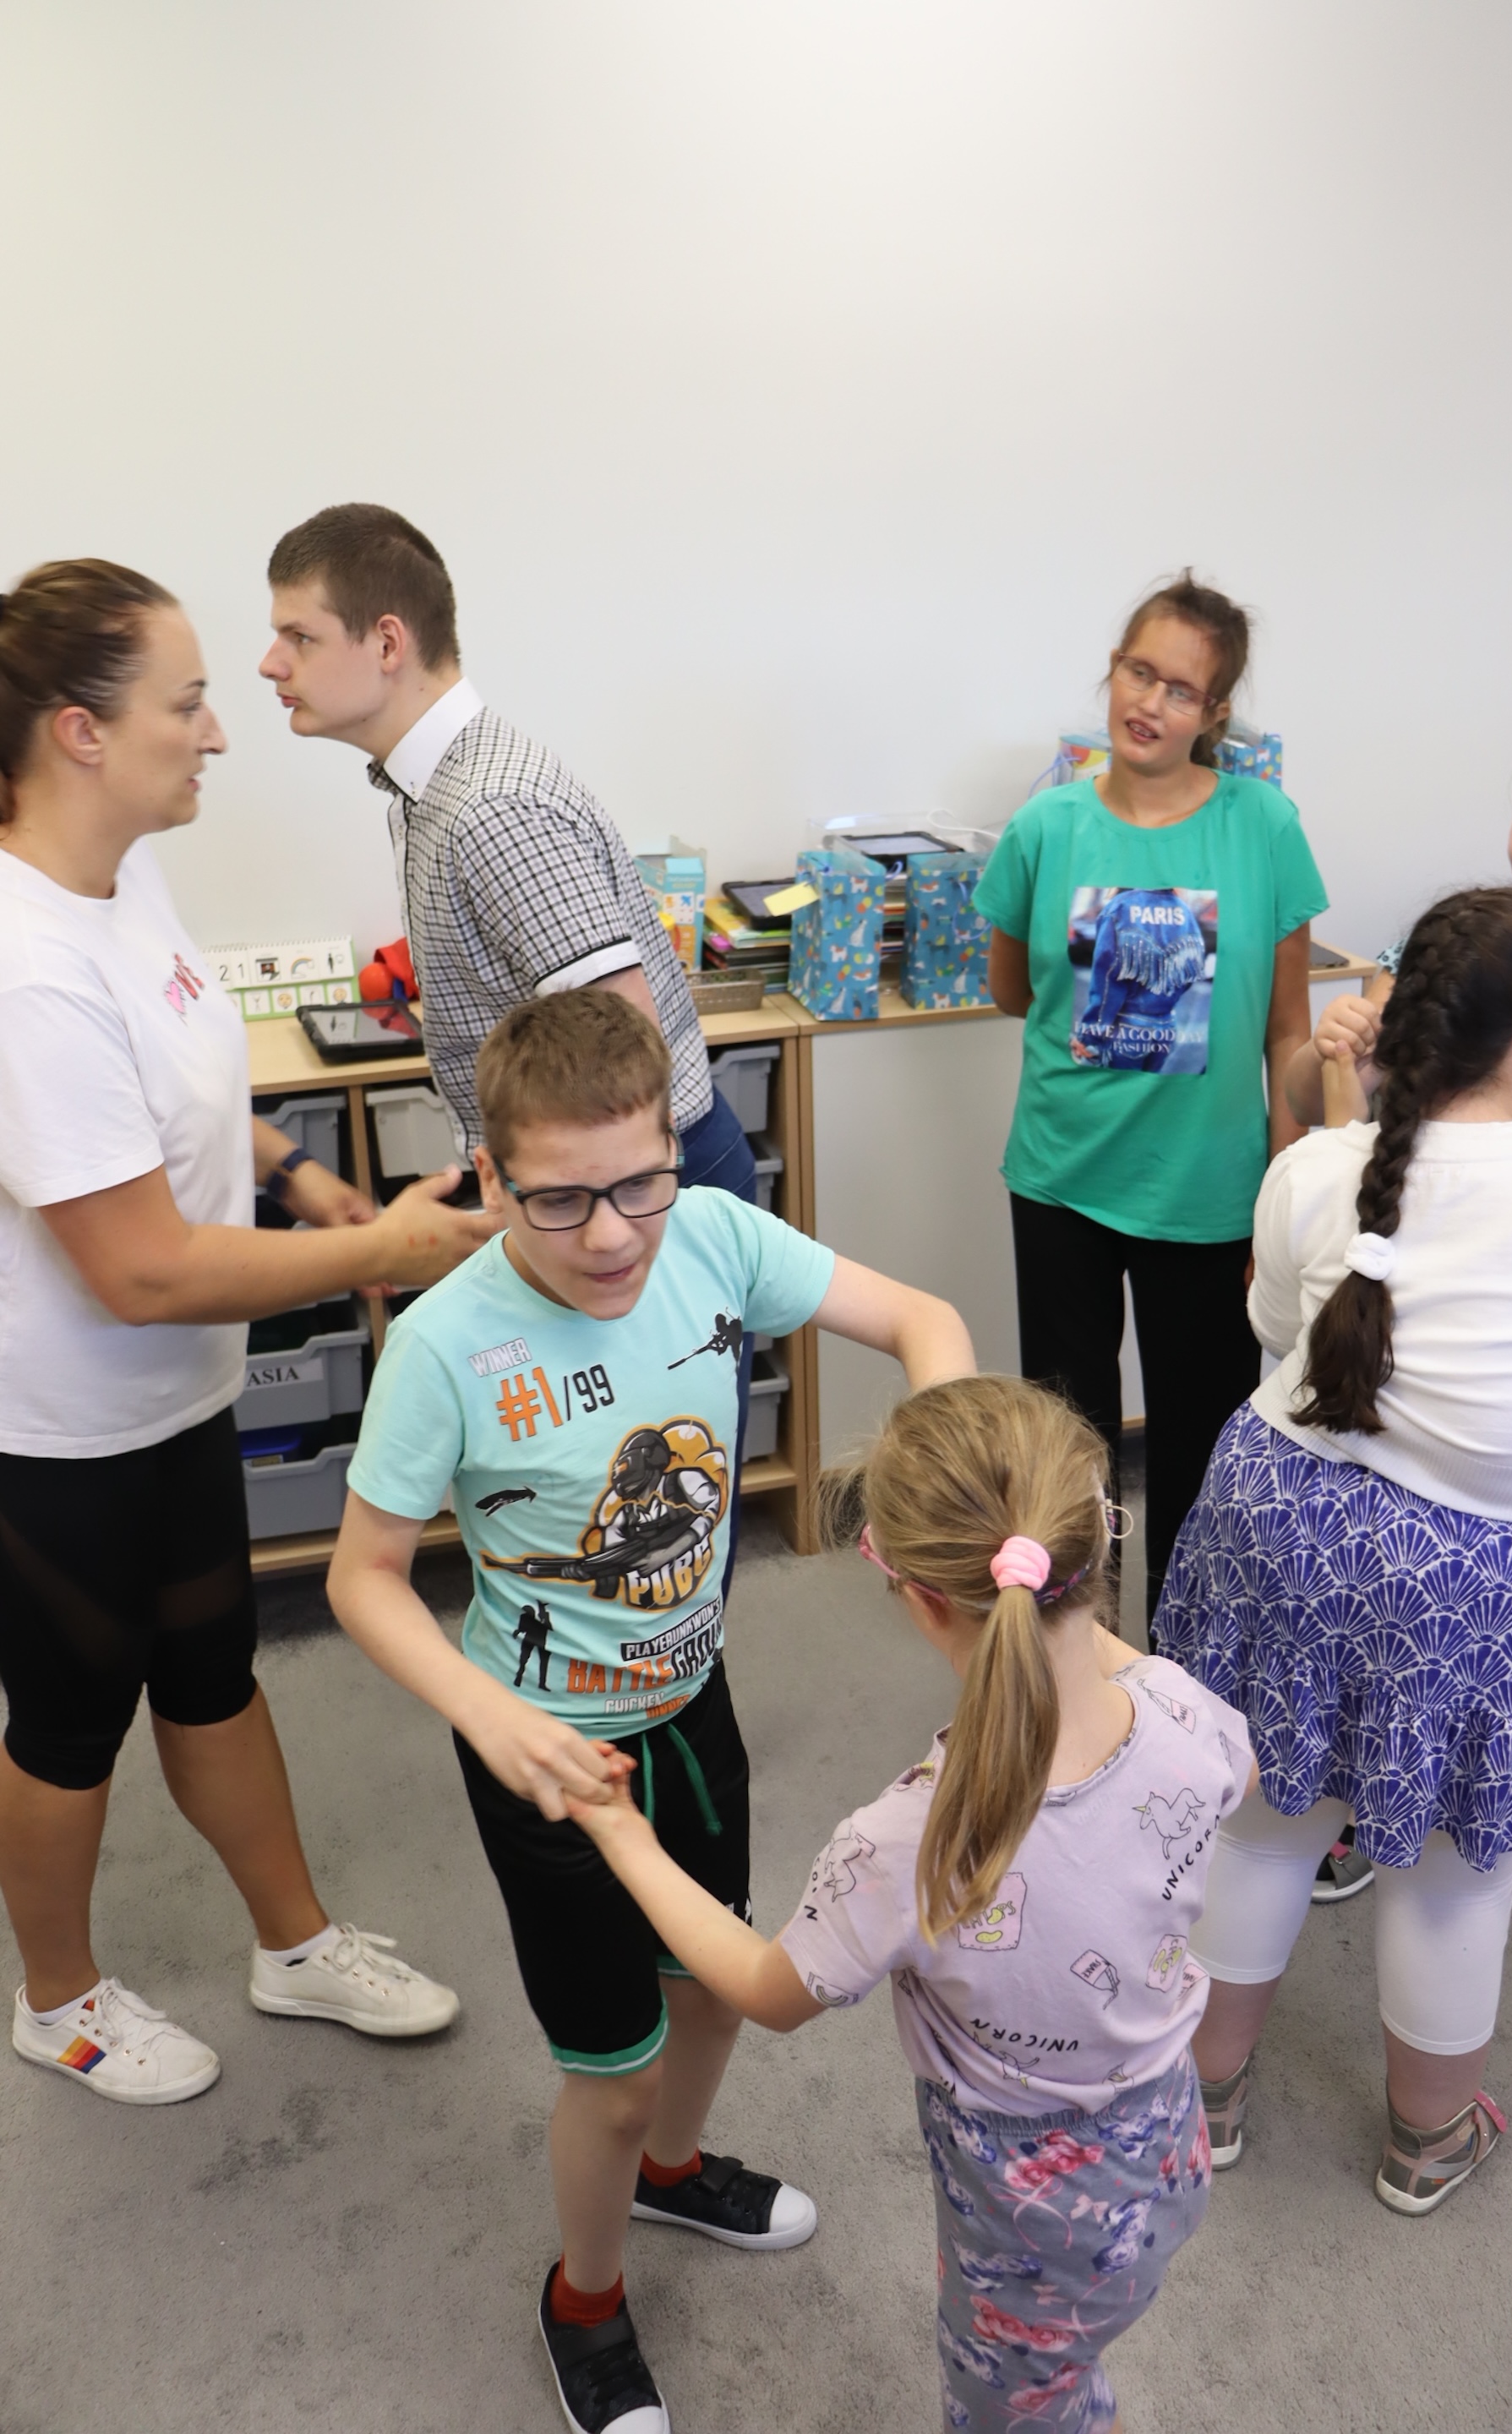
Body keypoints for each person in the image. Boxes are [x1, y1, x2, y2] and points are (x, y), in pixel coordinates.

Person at [326, 986, 976, 2434]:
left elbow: (922, 1318)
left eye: (641, 1184)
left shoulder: (720, 1237)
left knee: (710, 1989)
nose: (615, 1234)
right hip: (546, 1753)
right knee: (611, 2080)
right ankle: (585, 2296)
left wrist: (946, 1475)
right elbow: (362, 1579)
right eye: (559, 1200)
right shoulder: (445, 1344)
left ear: (677, 1150)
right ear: (490, 1175)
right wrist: (487, 1716)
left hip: (692, 1703)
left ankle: (675, 2175)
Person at [0, 561, 495, 2104]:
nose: (220, 730)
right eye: (190, 701)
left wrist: (291, 1172)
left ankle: (294, 1944)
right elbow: (139, 1271)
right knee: (70, 1718)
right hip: (61, 1432)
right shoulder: (25, 966)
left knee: (213, 1670)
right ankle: (58, 2000)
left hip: (177, 1398)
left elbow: (188, 1076)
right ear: (81, 731)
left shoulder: (122, 877)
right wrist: (388, 1247)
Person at [565, 1374, 1254, 2434]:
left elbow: (767, 1990)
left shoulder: (909, 1843)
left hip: (1030, 2216)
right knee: (1069, 2374)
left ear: (923, 1601)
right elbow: (1220, 1761)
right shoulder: (1188, 1714)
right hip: (1167, 2146)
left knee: (1017, 2408)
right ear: (1093, 1546)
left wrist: (623, 1836)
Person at [1157, 888, 1512, 2214]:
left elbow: (1275, 1326)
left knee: (1261, 1822)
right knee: (1459, 1867)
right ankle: (1427, 2138)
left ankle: (1203, 2104)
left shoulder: (1316, 1168)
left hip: (1278, 1524)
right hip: (1486, 1577)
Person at [259, 503, 761, 1600]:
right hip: (588, 1191)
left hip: (633, 1194)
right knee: (603, 1536)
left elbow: (626, 1052)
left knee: (653, 1554)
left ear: (386, 642)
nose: (270, 663)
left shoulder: (489, 807)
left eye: (298, 636)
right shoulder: (431, 788)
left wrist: (568, 1215)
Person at [1285, 704, 1512, 1985]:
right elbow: (1348, 1132)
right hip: (1434, 1360)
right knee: (1405, 1593)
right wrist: (1344, 1060)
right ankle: (1368, 1787)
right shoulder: (1459, 956)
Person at [977, 571, 1327, 1623]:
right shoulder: (1044, 828)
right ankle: (1080, 1649)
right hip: (1063, 1181)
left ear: (1214, 713)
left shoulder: (1264, 826)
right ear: (1113, 671)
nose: (1152, 703)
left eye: (1183, 690)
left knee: (1198, 1447)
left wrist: (1285, 1190)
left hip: (1210, 1195)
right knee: (1069, 1448)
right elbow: (1010, 990)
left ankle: (1181, 1666)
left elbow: (1288, 1030)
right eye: (1141, 673)